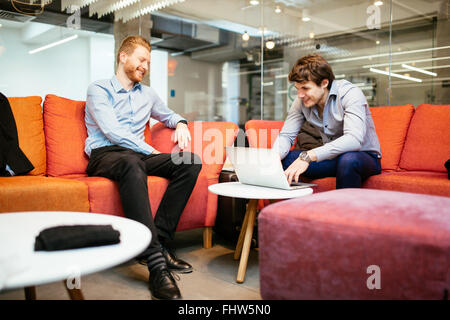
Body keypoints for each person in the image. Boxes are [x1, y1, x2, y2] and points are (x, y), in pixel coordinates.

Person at [84, 35, 202, 300]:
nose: (145, 66)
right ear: (123, 57)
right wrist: (151, 151)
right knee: (131, 161)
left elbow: (168, 114)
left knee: (190, 161)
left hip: (136, 155)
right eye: (141, 59)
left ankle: (158, 241)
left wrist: (181, 122)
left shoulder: (147, 94)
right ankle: (156, 265)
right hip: (107, 154)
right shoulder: (98, 89)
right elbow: (112, 132)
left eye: (148, 62)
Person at [273, 54, 382, 189]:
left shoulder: (350, 93)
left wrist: (308, 156)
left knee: (348, 160)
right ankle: (290, 209)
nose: (300, 95)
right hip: (332, 159)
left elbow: (354, 139)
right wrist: (274, 156)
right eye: (297, 89)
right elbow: (286, 135)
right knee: (283, 159)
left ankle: (344, 210)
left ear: (324, 83)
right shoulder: (301, 101)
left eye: (305, 88)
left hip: (363, 157)